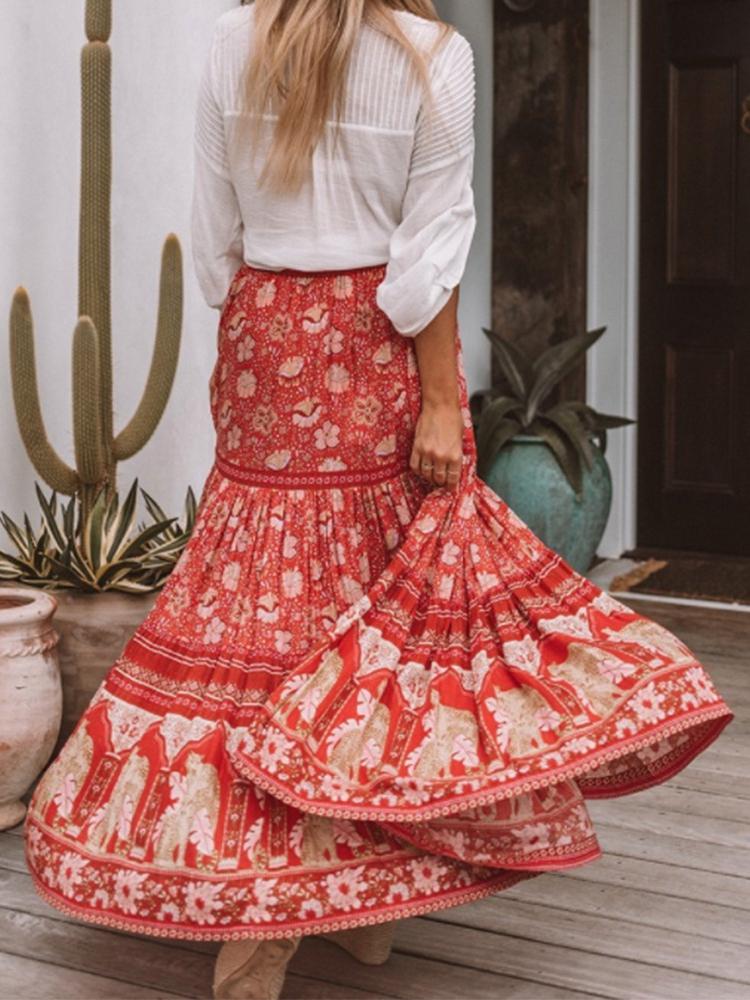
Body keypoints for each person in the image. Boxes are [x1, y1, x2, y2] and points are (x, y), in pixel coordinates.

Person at [24, 2, 734, 999]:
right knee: (369, 614)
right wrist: (443, 401)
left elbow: (217, 238)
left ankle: (351, 909)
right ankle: (278, 930)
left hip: (265, 341)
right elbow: (427, 259)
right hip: (369, 349)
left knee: (255, 611)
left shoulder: (233, 42)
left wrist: (272, 319)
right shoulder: (435, 56)